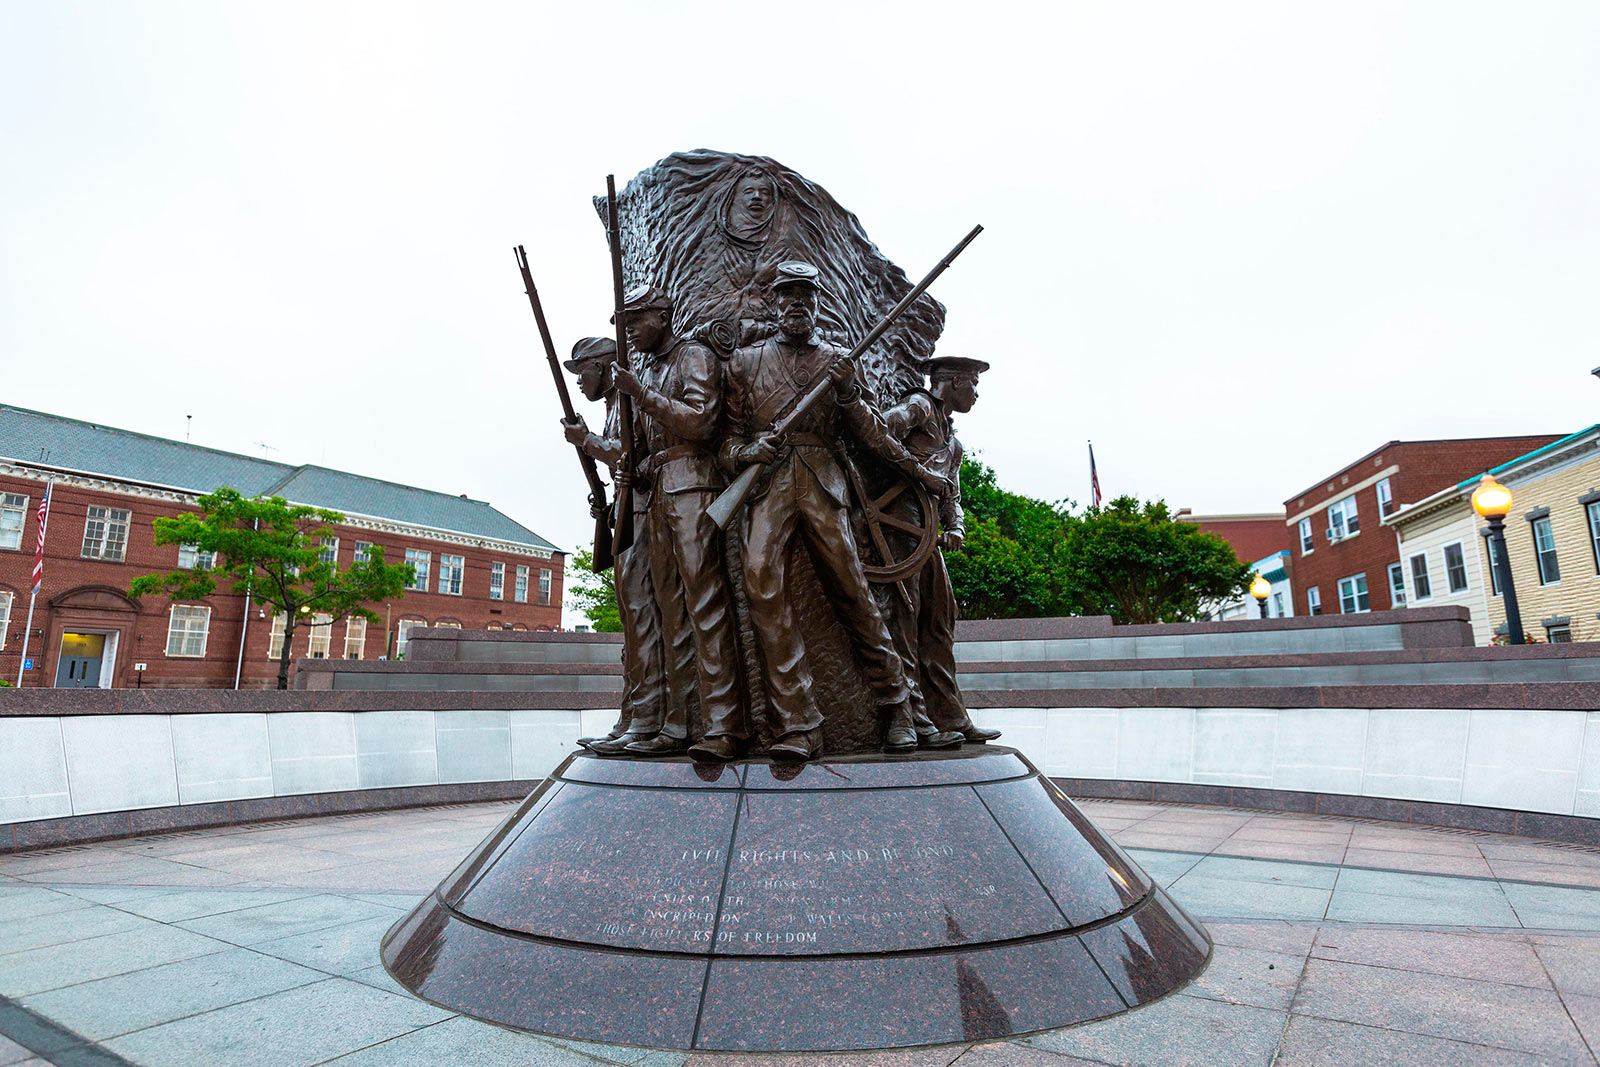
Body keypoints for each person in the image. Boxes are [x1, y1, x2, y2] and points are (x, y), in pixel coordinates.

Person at [720, 261, 956, 758]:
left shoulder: (839, 360)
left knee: (854, 592)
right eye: (788, 297)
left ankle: (898, 706)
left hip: (825, 483)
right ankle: (799, 723)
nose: (797, 305)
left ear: (818, 304)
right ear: (774, 303)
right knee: (762, 587)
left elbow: (870, 432)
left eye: (806, 297)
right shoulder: (743, 363)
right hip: (767, 486)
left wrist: (849, 393)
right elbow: (728, 444)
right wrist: (747, 453)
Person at [611, 285, 748, 761]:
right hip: (662, 489)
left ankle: (725, 724)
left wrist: (642, 396)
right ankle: (678, 720)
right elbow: (652, 448)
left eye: (635, 322)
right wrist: (641, 463)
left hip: (694, 487)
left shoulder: (693, 356)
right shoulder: (649, 368)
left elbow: (701, 424)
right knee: (672, 612)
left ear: (662, 316)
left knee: (705, 604)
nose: (628, 331)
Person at [560, 337, 672, 755]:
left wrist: (587, 442)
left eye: (582, 371)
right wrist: (603, 501)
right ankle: (631, 715)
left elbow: (631, 456)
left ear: (604, 368)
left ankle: (646, 718)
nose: (579, 382)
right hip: (625, 515)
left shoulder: (629, 403)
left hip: (644, 517)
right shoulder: (611, 409)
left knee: (643, 616)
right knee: (632, 623)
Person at [881, 357, 1002, 744]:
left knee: (939, 623)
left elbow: (953, 493)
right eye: (972, 384)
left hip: (928, 536)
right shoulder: (917, 407)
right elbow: (878, 432)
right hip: (899, 533)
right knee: (905, 621)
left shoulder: (954, 442)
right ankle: (914, 720)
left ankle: (951, 716)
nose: (977, 394)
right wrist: (916, 471)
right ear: (949, 381)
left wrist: (957, 526)